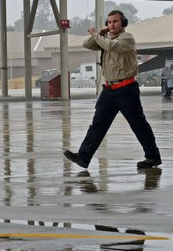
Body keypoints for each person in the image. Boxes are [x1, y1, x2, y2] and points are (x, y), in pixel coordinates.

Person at [64, 10, 162, 170]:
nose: (111, 25)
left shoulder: (127, 38)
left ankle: (153, 156)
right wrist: (101, 33)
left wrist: (97, 35)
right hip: (109, 89)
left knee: (138, 124)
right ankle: (83, 156)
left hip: (126, 89)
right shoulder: (105, 38)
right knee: (98, 124)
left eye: (115, 21)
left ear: (123, 23)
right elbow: (87, 44)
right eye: (109, 22)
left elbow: (112, 46)